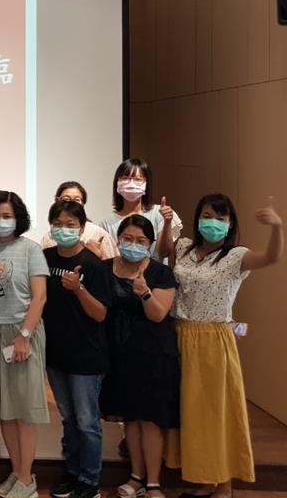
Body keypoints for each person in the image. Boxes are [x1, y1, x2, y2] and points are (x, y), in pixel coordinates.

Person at [159, 195, 283, 498]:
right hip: (179, 334)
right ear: (197, 218)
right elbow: (163, 251)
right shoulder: (185, 247)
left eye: (220, 218)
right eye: (207, 215)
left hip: (213, 340)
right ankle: (206, 479)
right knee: (189, 412)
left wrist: (277, 227)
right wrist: (166, 222)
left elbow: (271, 257)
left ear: (230, 224)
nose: (212, 222)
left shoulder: (236, 256)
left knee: (216, 412)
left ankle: (224, 485)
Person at [0, 191, 49, 498]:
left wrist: (25, 336)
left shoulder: (31, 249)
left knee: (23, 409)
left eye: (7, 216)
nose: (1, 221)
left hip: (22, 332)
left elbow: (40, 297)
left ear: (18, 219)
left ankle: (28, 480)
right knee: (3, 407)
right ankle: (17, 472)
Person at [97, 215, 179, 498]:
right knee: (130, 419)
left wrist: (144, 293)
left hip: (153, 355)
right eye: (127, 239)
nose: (133, 245)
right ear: (118, 239)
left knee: (150, 421)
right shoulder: (104, 268)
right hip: (118, 355)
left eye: (141, 240)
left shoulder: (161, 273)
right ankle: (135, 477)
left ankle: (153, 482)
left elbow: (158, 314)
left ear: (150, 244)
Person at [42, 200, 111, 498]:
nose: (64, 229)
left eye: (71, 225)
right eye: (58, 224)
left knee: (86, 421)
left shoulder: (94, 264)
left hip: (86, 357)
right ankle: (72, 472)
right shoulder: (44, 258)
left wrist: (78, 288)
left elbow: (100, 314)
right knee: (68, 418)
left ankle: (90, 480)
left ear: (82, 228)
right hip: (55, 354)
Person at [97, 159, 182, 258]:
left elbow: (164, 253)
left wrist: (167, 222)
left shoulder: (160, 213)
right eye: (125, 178)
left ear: (146, 183)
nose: (131, 183)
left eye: (137, 179)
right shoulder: (106, 222)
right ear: (117, 182)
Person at [39, 182, 117, 259]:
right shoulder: (48, 238)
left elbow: (113, 263)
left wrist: (96, 258)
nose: (70, 204)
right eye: (65, 199)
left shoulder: (98, 234)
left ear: (83, 203)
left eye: (77, 200)